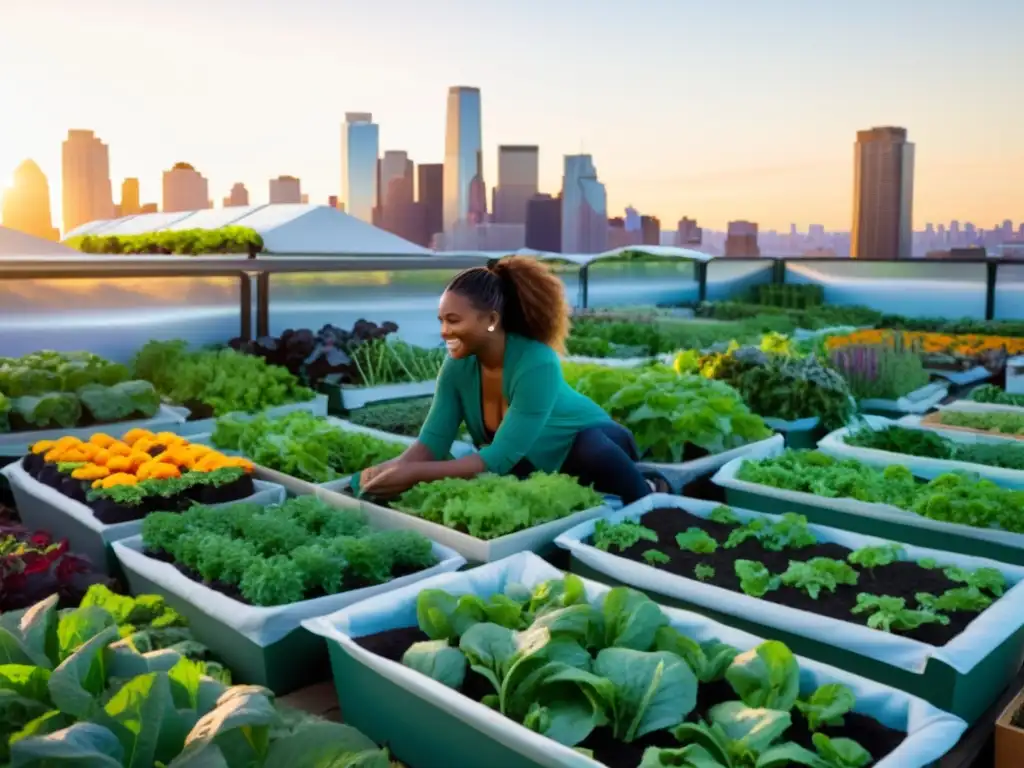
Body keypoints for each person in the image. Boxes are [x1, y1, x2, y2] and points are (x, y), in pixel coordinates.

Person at [358, 255, 665, 503]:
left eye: (453, 321)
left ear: (491, 320)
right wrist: (387, 470)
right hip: (528, 458)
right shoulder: (457, 367)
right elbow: (432, 443)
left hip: (595, 447)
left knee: (595, 457)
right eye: (441, 321)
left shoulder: (536, 362)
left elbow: (497, 458)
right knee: (510, 480)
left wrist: (414, 474)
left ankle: (650, 489)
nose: (444, 332)